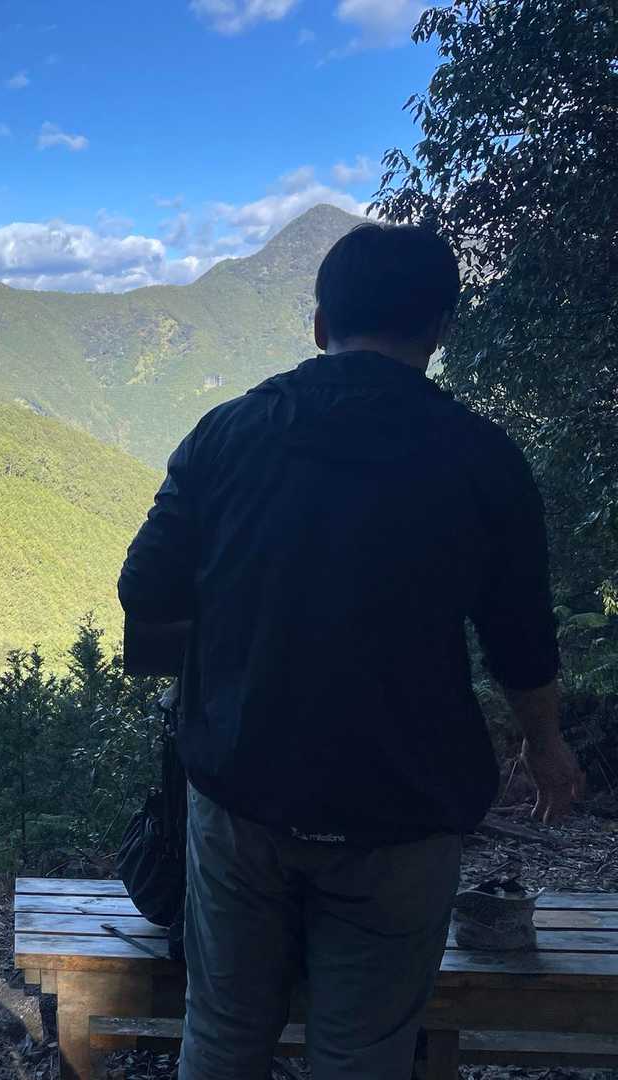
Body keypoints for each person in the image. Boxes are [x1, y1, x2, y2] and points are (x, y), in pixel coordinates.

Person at [117, 222, 584, 1080]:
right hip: (402, 808)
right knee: (364, 1053)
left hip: (244, 791)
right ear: (440, 329)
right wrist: (546, 745)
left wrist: (250, 617)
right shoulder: (484, 459)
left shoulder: (228, 434)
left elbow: (145, 590)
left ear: (321, 324)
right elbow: (521, 638)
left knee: (221, 1035)